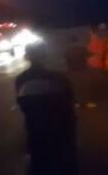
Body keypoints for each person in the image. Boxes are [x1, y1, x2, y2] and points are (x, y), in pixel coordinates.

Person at [16, 43, 78, 175]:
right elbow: (69, 100)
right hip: (60, 126)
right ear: (45, 56)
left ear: (27, 57)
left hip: (36, 126)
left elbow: (22, 104)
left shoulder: (21, 78)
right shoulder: (58, 77)